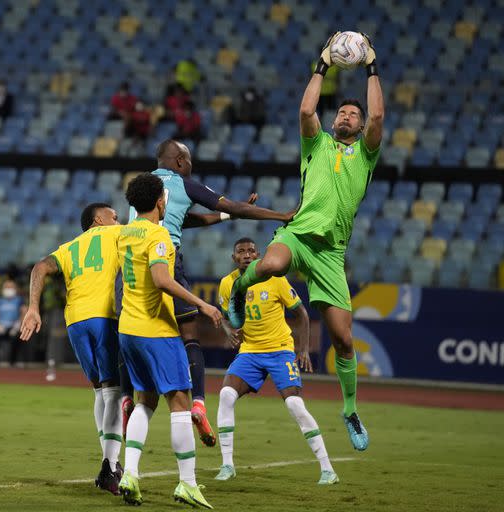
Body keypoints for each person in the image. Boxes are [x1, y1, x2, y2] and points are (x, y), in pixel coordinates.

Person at [226, 32, 384, 453]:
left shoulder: (366, 155)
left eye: (355, 114)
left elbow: (380, 118)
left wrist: (371, 66)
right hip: (298, 235)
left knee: (345, 340)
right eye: (344, 113)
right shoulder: (315, 144)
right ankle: (238, 296)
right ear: (334, 123)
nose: (349, 116)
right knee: (272, 266)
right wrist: (322, 63)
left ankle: (349, 410)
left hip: (331, 254)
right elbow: (305, 108)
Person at [120, 139, 294, 449]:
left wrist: (231, 216)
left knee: (133, 331)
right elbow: (228, 204)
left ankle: (126, 396)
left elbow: (185, 219)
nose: (190, 166)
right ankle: (198, 403)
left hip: (131, 265)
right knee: (190, 337)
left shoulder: (143, 190)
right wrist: (278, 215)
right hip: (165, 258)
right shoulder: (183, 183)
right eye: (188, 160)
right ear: (179, 161)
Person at [116, 173, 221, 508]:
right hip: (156, 330)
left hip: (128, 329)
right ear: (161, 201)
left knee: (145, 402)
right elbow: (162, 280)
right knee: (179, 401)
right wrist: (202, 303)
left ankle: (130, 473)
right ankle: (187, 483)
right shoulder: (158, 235)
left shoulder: (124, 233)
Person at [215, 238, 338, 485]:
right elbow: (227, 316)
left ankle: (327, 469)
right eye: (241, 251)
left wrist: (302, 349)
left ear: (259, 255)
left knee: (294, 405)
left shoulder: (275, 279)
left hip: (280, 351)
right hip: (249, 352)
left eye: (251, 250)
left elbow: (301, 313)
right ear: (233, 258)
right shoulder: (227, 284)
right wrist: (228, 331)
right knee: (226, 395)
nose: (247, 255)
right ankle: (227, 465)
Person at [20, 203, 124, 495]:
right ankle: (110, 465)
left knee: (99, 390)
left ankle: (110, 463)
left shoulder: (67, 247)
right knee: (114, 388)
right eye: (114, 216)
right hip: (105, 317)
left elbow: (39, 267)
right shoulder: (117, 235)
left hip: (75, 321)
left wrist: (32, 308)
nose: (118, 220)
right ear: (98, 219)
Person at [0, 279, 26, 365]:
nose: (8, 289)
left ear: (15, 289)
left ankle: (12, 362)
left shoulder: (19, 300)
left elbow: (24, 312)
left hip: (14, 328)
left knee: (20, 336)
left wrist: (18, 325)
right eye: (7, 287)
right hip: (1, 328)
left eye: (11, 287)